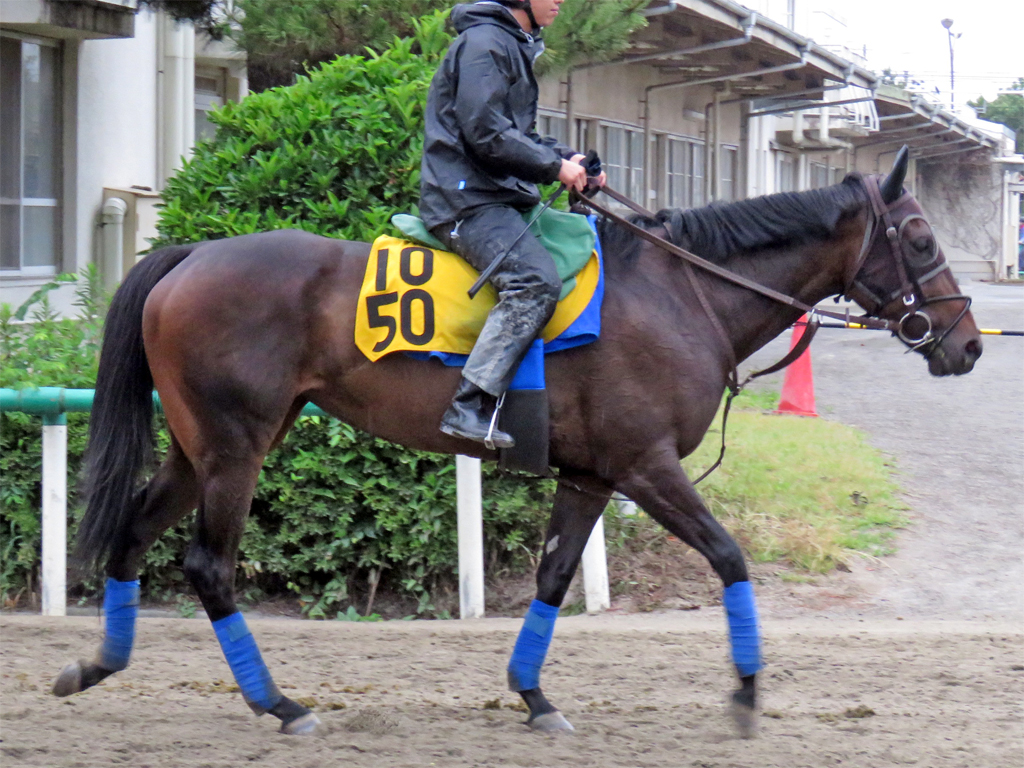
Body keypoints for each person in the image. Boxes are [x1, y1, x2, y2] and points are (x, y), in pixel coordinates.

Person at [419, 0, 605, 448]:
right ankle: (469, 404)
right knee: (534, 281)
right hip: (466, 204)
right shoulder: (485, 45)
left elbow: (517, 134)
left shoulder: (511, 44)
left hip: (494, 199)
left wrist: (571, 160)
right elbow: (485, 133)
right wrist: (552, 167)